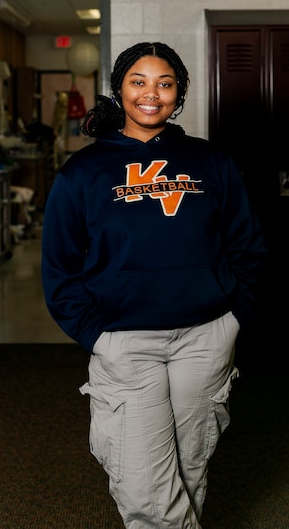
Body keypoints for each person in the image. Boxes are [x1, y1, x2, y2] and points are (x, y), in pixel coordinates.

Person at [42, 42, 267, 528]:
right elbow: (59, 266)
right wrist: (95, 334)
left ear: (179, 93)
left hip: (205, 337)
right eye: (138, 82)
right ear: (119, 89)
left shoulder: (212, 163)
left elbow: (247, 246)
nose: (152, 94)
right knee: (144, 483)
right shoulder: (83, 172)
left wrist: (234, 317)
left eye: (164, 83)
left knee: (189, 469)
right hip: (124, 340)